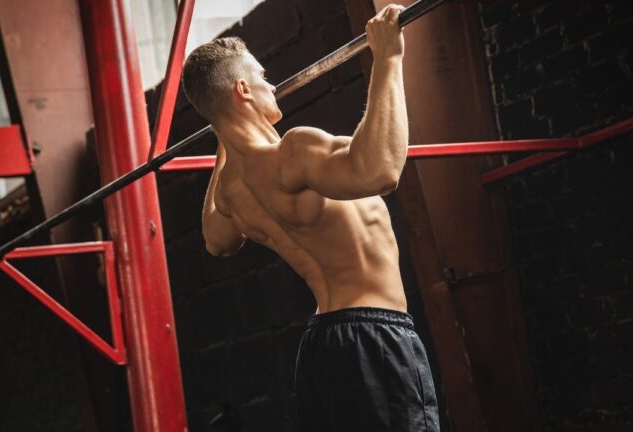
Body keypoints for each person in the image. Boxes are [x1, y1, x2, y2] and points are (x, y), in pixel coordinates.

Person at [181, 4, 440, 431]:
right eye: (263, 77)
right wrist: (389, 58)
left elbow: (216, 241)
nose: (273, 85)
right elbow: (381, 169)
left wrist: (223, 131)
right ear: (244, 90)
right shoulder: (292, 152)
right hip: (376, 335)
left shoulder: (231, 192)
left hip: (322, 349)